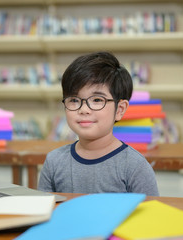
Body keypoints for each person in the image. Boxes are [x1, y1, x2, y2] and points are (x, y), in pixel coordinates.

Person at [38, 51, 159, 196]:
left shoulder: (135, 167)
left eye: (97, 100)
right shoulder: (54, 162)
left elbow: (149, 215)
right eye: (74, 100)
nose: (83, 110)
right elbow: (44, 211)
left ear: (119, 109)